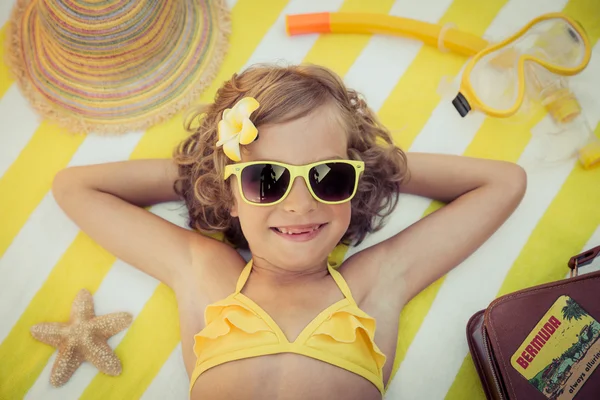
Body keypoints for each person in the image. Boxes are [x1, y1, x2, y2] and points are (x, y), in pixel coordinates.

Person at [52, 64, 527, 400]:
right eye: (267, 180)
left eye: (328, 177)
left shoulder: (375, 282)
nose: (300, 204)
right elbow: (76, 187)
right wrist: (212, 166)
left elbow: (505, 182)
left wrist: (371, 165)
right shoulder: (205, 273)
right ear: (230, 193)